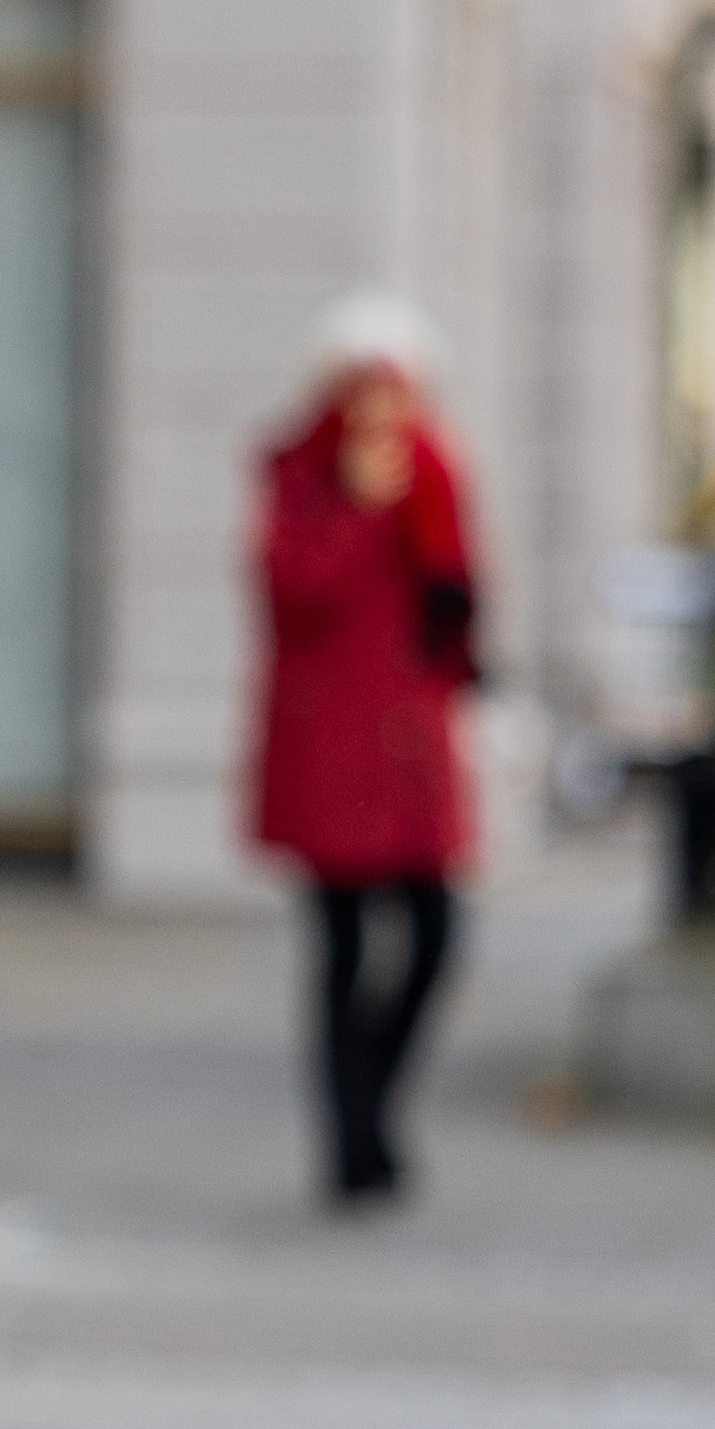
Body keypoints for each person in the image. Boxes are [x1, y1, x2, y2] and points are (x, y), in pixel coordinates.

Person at [248, 295, 483, 1209]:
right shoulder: (300, 473)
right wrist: (352, 504)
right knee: (341, 945)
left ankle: (377, 1105)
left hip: (410, 743)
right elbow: (289, 591)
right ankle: (347, 1140)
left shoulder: (435, 471)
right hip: (326, 746)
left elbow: (457, 594)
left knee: (434, 936)